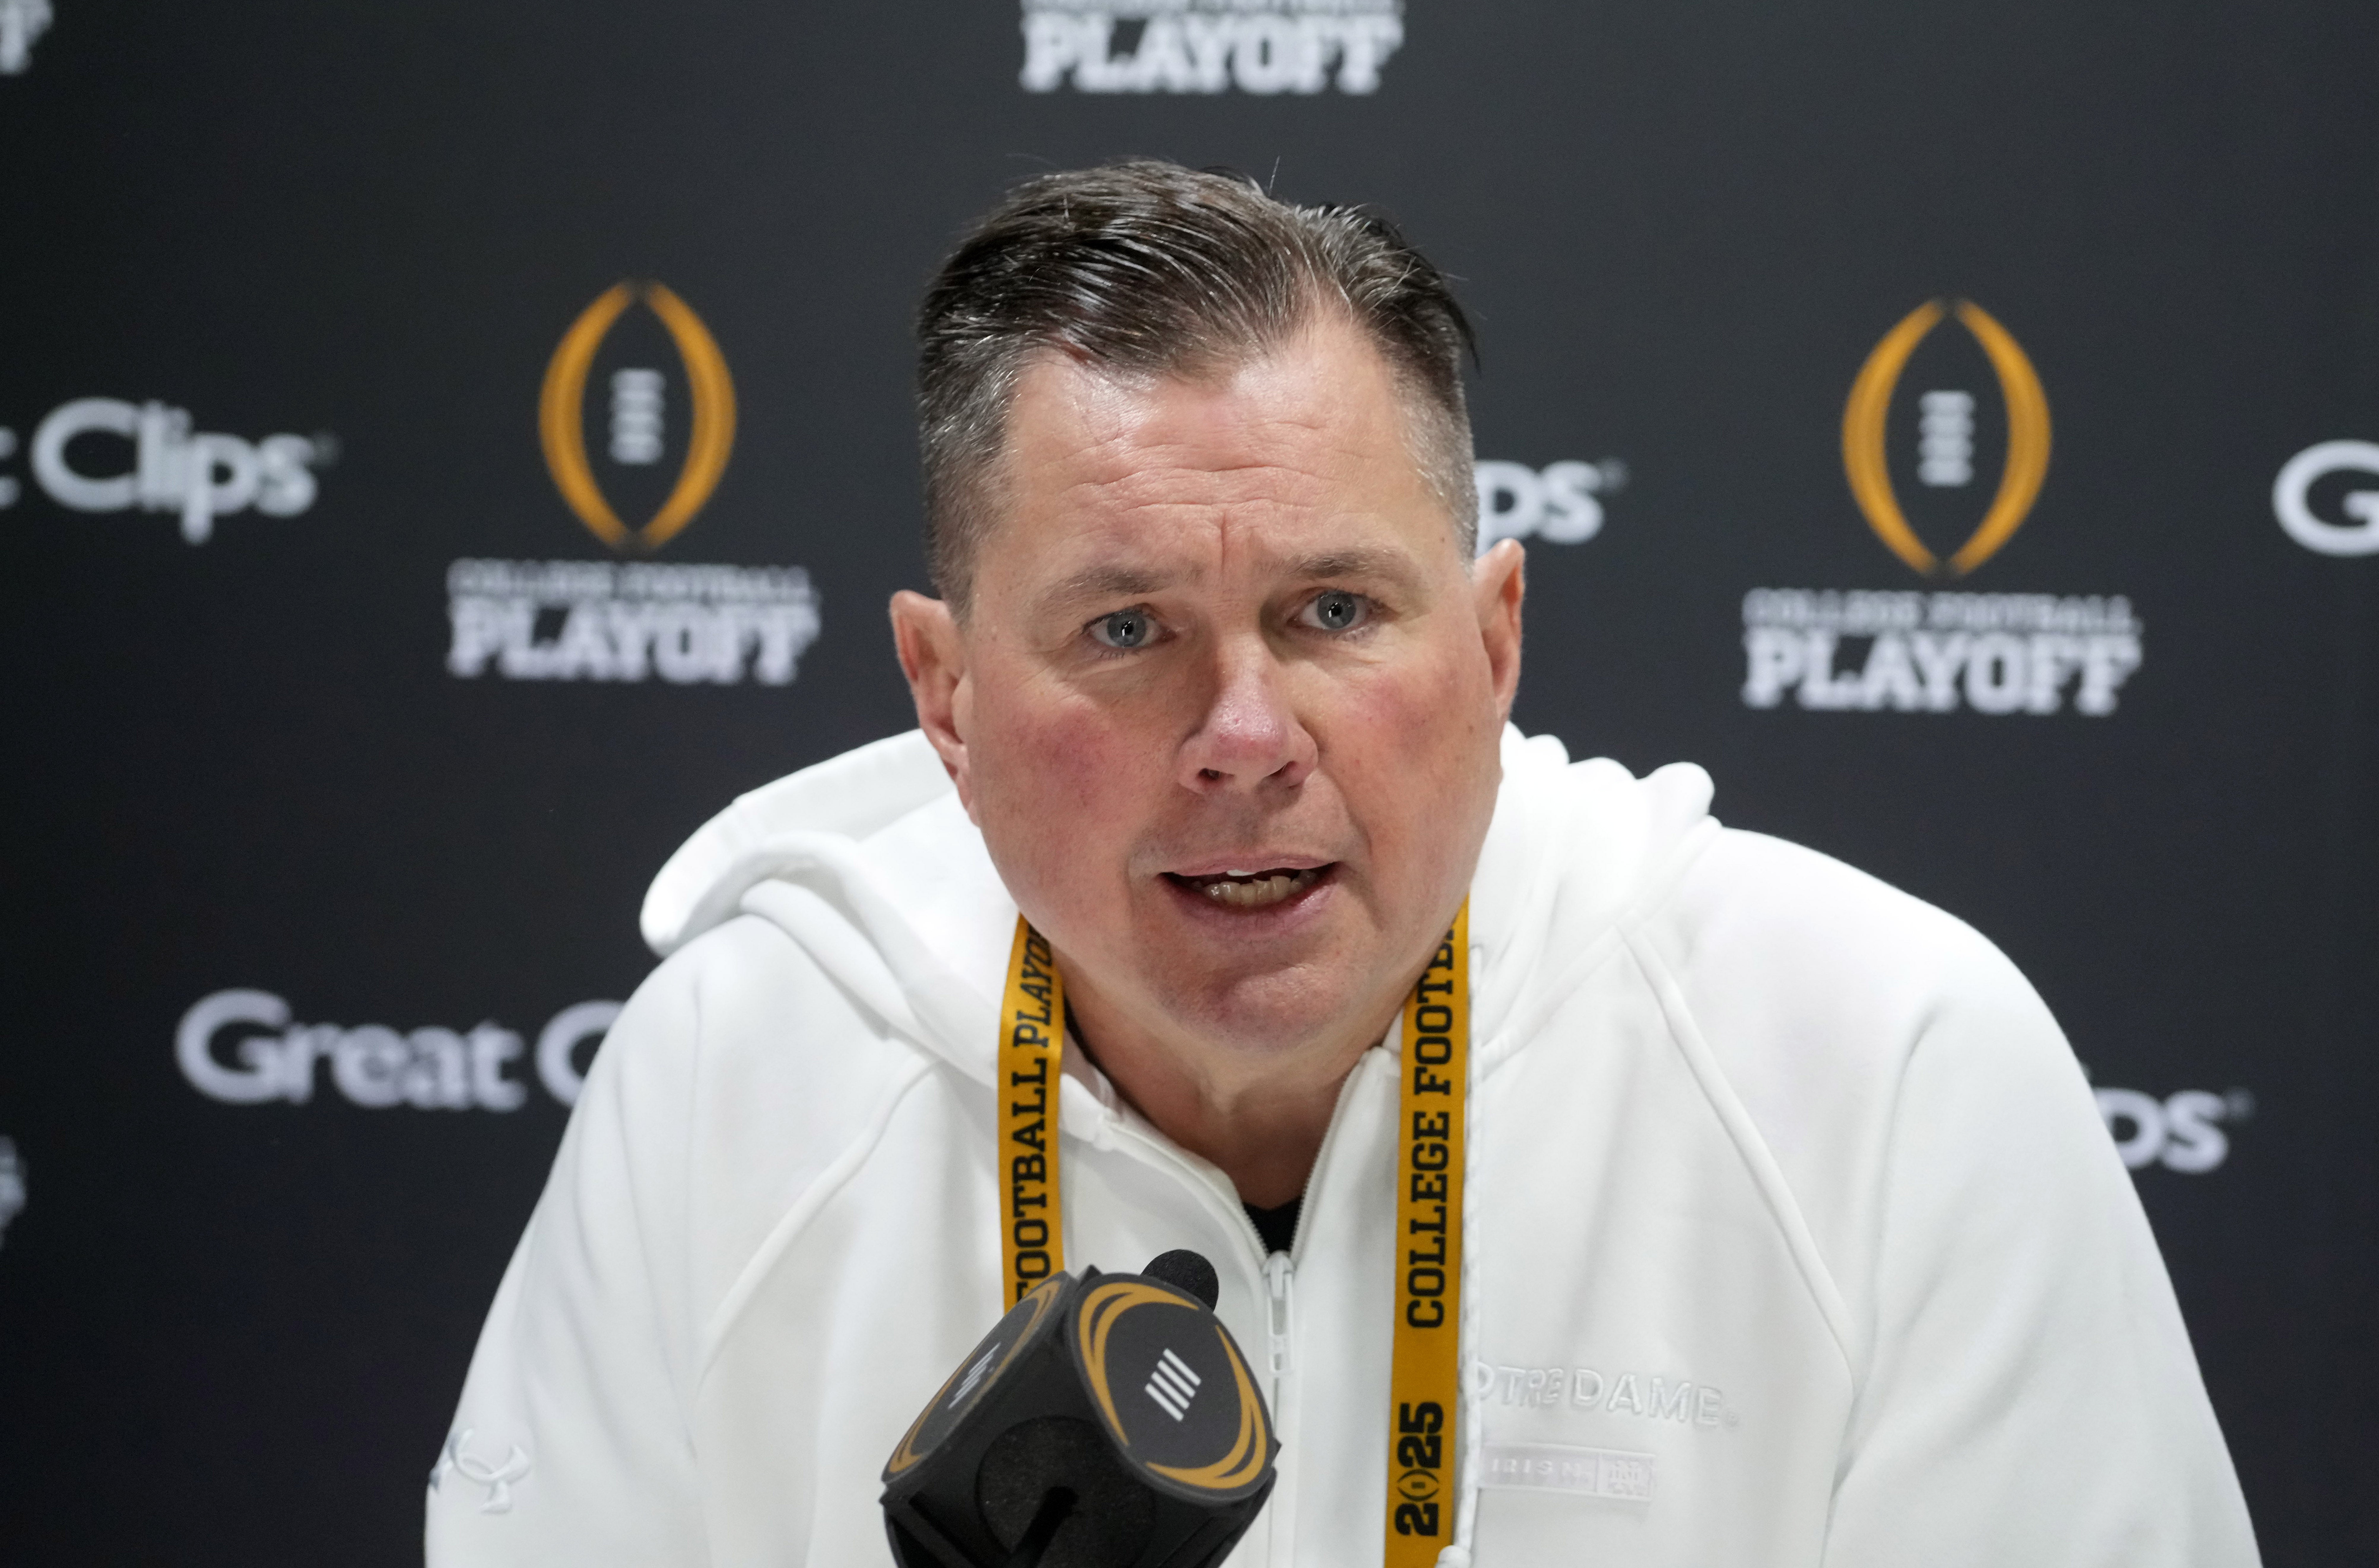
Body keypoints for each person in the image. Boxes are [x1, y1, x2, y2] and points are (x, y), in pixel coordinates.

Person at [426, 161, 2257, 1566]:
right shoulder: (730, 1080)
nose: (1244, 731)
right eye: (1127, 628)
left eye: (1330, 609)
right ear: (945, 693)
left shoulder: (1885, 1070)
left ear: (1495, 639)